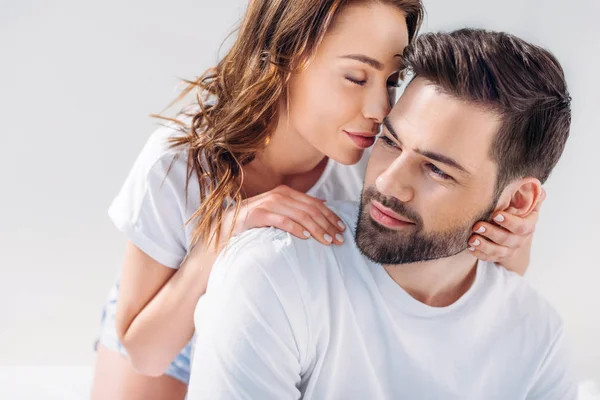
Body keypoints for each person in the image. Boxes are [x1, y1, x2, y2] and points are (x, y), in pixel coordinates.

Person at [91, 1, 542, 399]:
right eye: (355, 76)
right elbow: (145, 353)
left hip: (293, 336)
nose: (380, 109)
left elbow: (483, 282)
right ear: (282, 58)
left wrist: (510, 240)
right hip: (170, 320)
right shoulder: (177, 165)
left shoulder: (376, 165)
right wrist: (224, 234)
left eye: (392, 79)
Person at [187, 28, 576, 399]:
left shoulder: (537, 338)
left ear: (520, 202)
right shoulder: (273, 273)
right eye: (389, 142)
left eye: (437, 169)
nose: (388, 183)